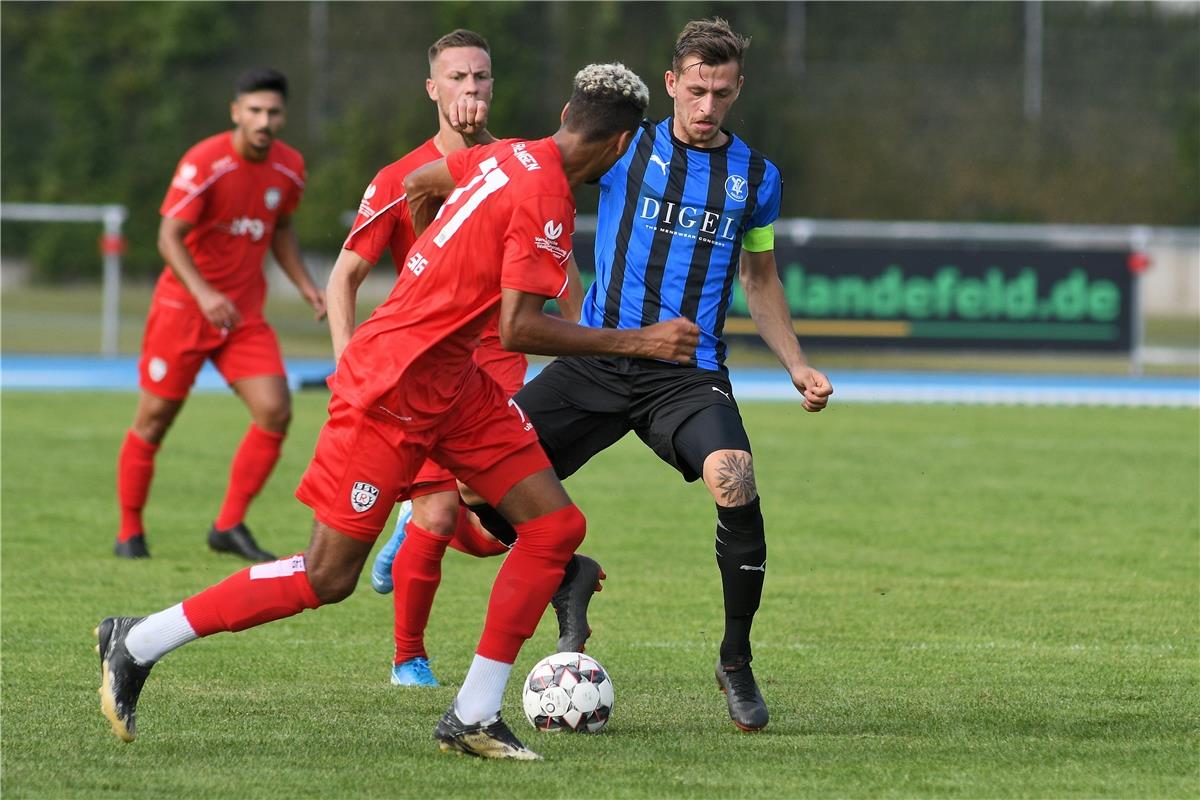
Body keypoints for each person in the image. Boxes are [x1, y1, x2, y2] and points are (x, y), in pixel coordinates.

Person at [95, 63, 699, 760]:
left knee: (554, 526)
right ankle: (137, 641)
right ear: (622, 145)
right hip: (391, 390)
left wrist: (429, 277)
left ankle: (473, 714)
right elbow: (517, 329)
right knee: (327, 577)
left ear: (567, 111)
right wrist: (641, 341)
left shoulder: (509, 154)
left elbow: (424, 181)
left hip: (452, 385)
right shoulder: (547, 196)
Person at [478, 18, 834, 733]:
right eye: (695, 90)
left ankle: (735, 659)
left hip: (685, 372)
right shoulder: (625, 148)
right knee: (477, 488)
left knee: (734, 475)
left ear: (738, 91)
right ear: (671, 83)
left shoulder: (756, 179)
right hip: (600, 359)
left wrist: (796, 363)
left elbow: (759, 278)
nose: (706, 108)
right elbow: (539, 164)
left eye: (721, 94)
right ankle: (568, 571)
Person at [326, 29, 602, 688]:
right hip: (419, 363)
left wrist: (587, 335)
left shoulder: (515, 163)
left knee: (482, 507)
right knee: (446, 510)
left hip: (496, 357)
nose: (470, 90)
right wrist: (345, 365)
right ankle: (407, 658)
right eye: (457, 78)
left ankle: (416, 529)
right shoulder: (400, 177)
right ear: (433, 89)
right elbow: (344, 278)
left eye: (480, 77)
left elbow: (556, 267)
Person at [113, 68, 326, 561]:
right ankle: (129, 533)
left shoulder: (290, 167)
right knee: (154, 420)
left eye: (273, 112)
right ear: (236, 112)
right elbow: (168, 236)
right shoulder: (205, 161)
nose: (264, 121)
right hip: (184, 311)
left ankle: (227, 526)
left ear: (283, 116)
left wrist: (306, 286)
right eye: (254, 111)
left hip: (243, 316)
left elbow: (282, 229)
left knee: (275, 410)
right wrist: (205, 294)